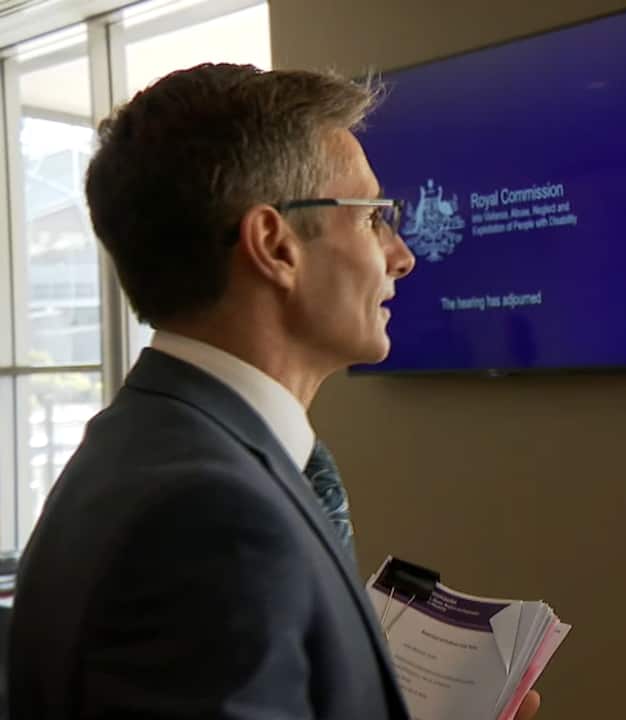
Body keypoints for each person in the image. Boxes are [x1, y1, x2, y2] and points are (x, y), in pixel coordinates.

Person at [9, 63, 540, 720]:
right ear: (274, 245)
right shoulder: (212, 517)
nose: (401, 255)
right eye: (373, 217)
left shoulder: (150, 449)